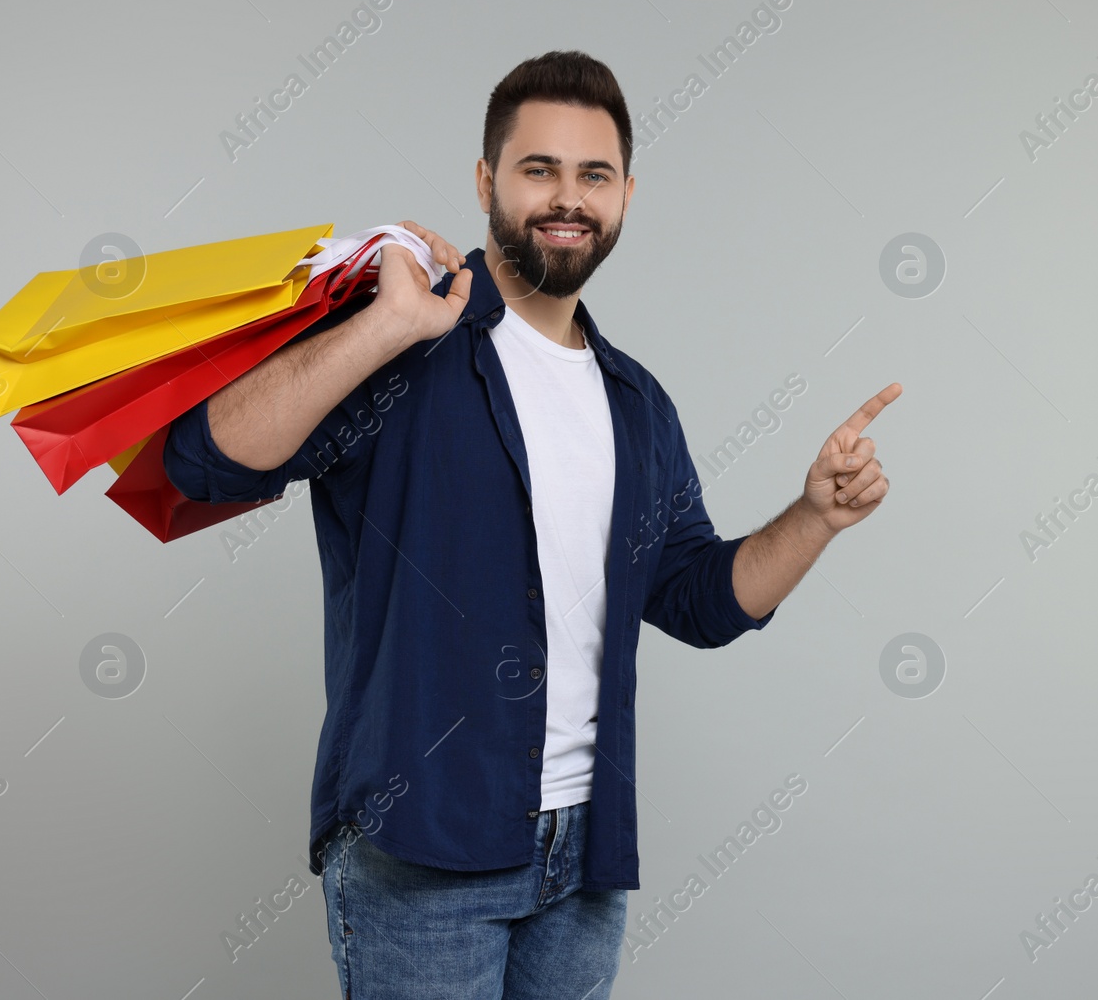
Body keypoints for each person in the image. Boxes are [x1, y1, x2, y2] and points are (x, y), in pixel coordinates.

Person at [164, 49, 899, 999]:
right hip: (421, 844)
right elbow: (206, 459)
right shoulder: (403, 343)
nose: (569, 198)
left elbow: (698, 600)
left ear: (626, 194)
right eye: (539, 169)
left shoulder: (637, 404)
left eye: (594, 175)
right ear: (486, 181)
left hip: (584, 855)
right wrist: (383, 327)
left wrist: (815, 516)